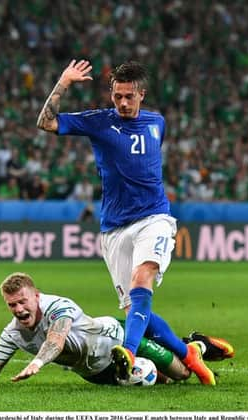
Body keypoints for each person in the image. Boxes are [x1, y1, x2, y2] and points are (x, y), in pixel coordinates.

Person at [36, 60, 216, 385]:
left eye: (128, 97)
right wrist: (63, 82)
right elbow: (45, 122)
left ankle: (129, 352)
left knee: (142, 277)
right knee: (137, 310)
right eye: (117, 96)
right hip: (114, 230)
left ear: (141, 95)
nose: (122, 103)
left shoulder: (157, 122)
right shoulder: (99, 122)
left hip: (154, 218)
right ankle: (189, 352)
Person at [0, 272, 234, 390]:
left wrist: (36, 363)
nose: (18, 309)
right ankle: (180, 352)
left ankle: (195, 346)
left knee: (181, 375)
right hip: (96, 372)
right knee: (163, 381)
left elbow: (56, 339)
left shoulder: (58, 307)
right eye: (11, 305)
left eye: (22, 301)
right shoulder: (12, 333)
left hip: (116, 340)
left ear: (36, 296)